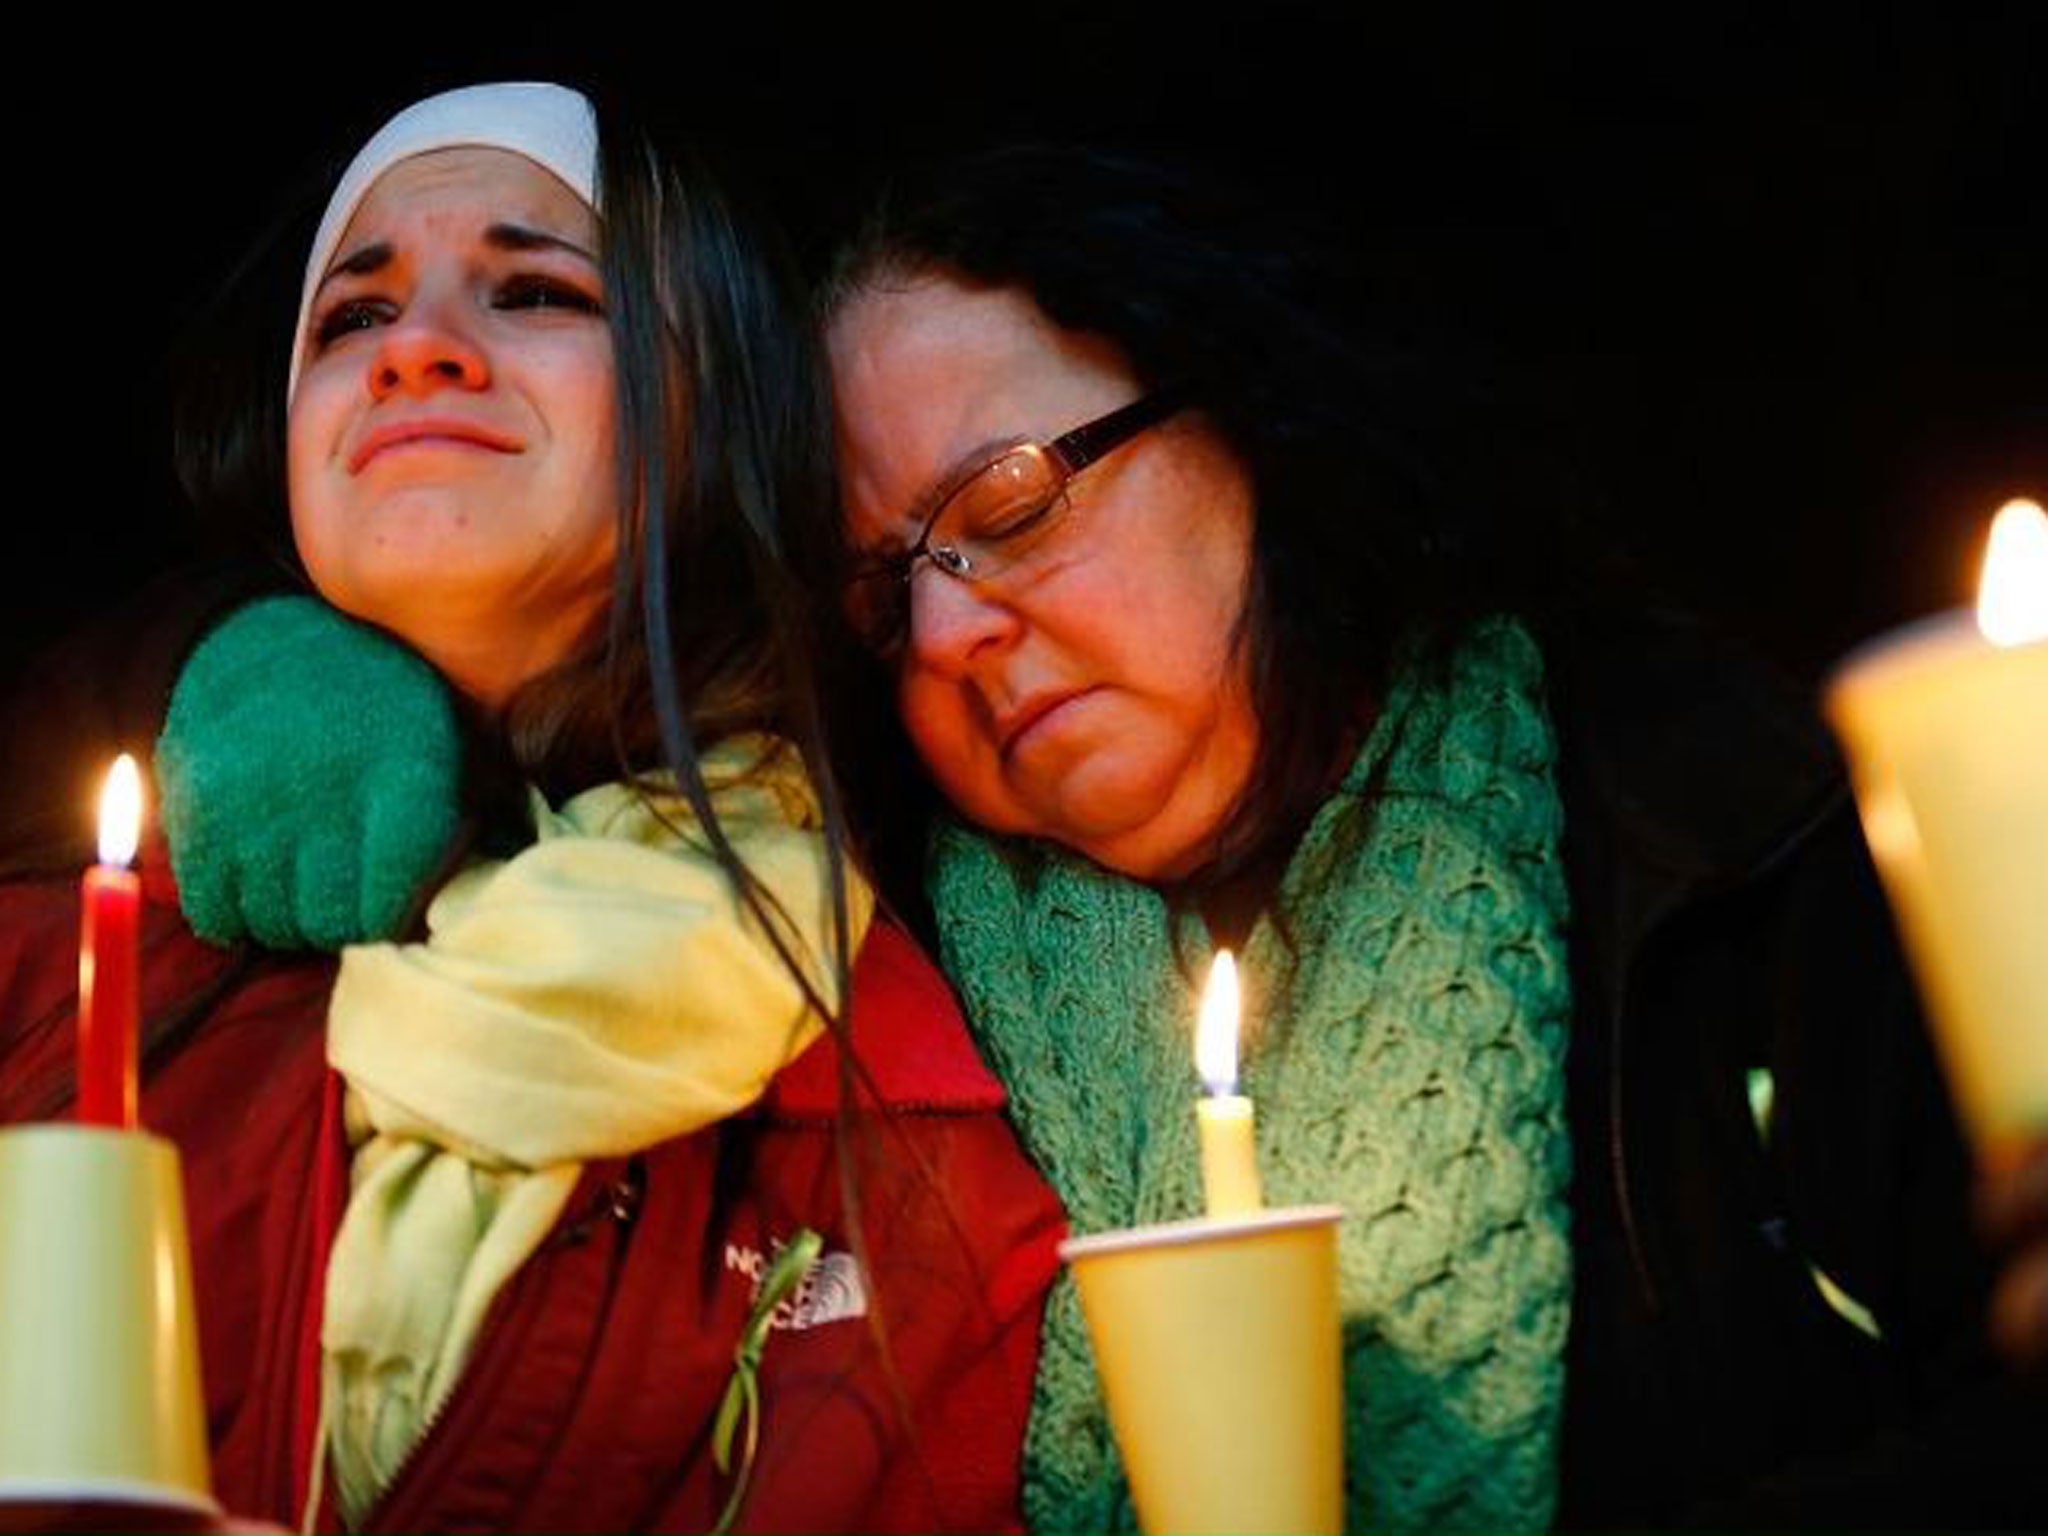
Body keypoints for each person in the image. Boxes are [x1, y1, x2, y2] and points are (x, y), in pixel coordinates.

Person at [808, 142, 2048, 1529]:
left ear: (1250, 420)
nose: (943, 631)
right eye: (884, 594)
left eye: (1011, 501)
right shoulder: (887, 1043)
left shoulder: (1712, 833)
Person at [0, 85, 1061, 1532]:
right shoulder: (65, 943)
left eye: (537, 288)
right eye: (351, 319)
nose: (417, 351)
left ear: (719, 406)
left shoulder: (897, 1146)